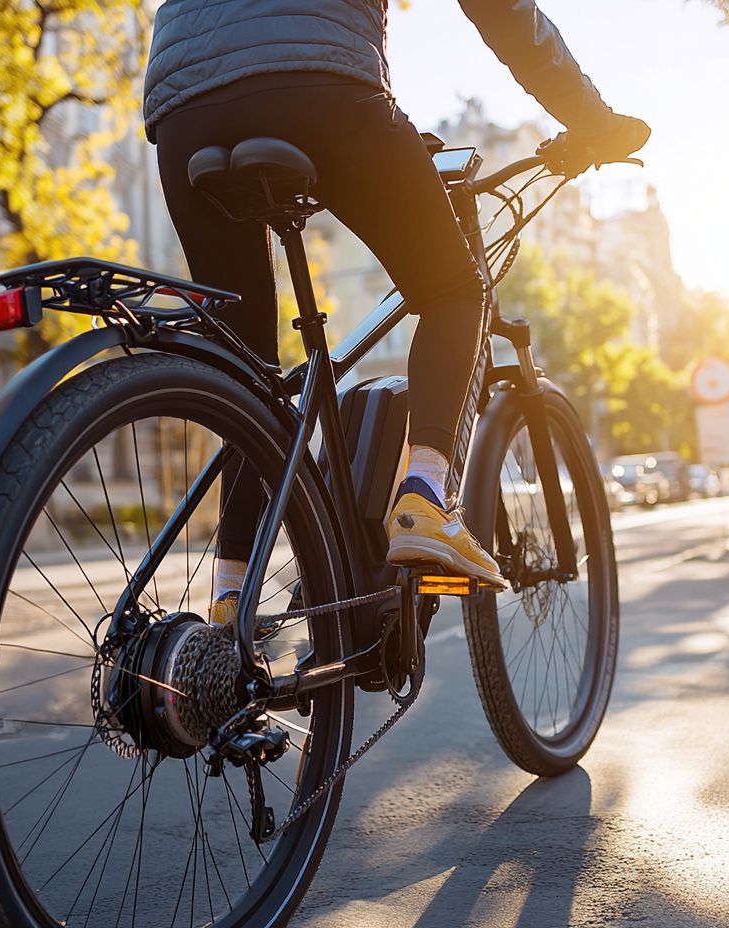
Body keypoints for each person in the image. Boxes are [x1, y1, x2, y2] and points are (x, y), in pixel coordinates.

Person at [143, 0, 650, 623]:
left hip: (181, 104)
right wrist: (592, 120)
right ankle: (425, 501)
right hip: (320, 82)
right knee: (456, 293)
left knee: (249, 378)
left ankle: (227, 607)